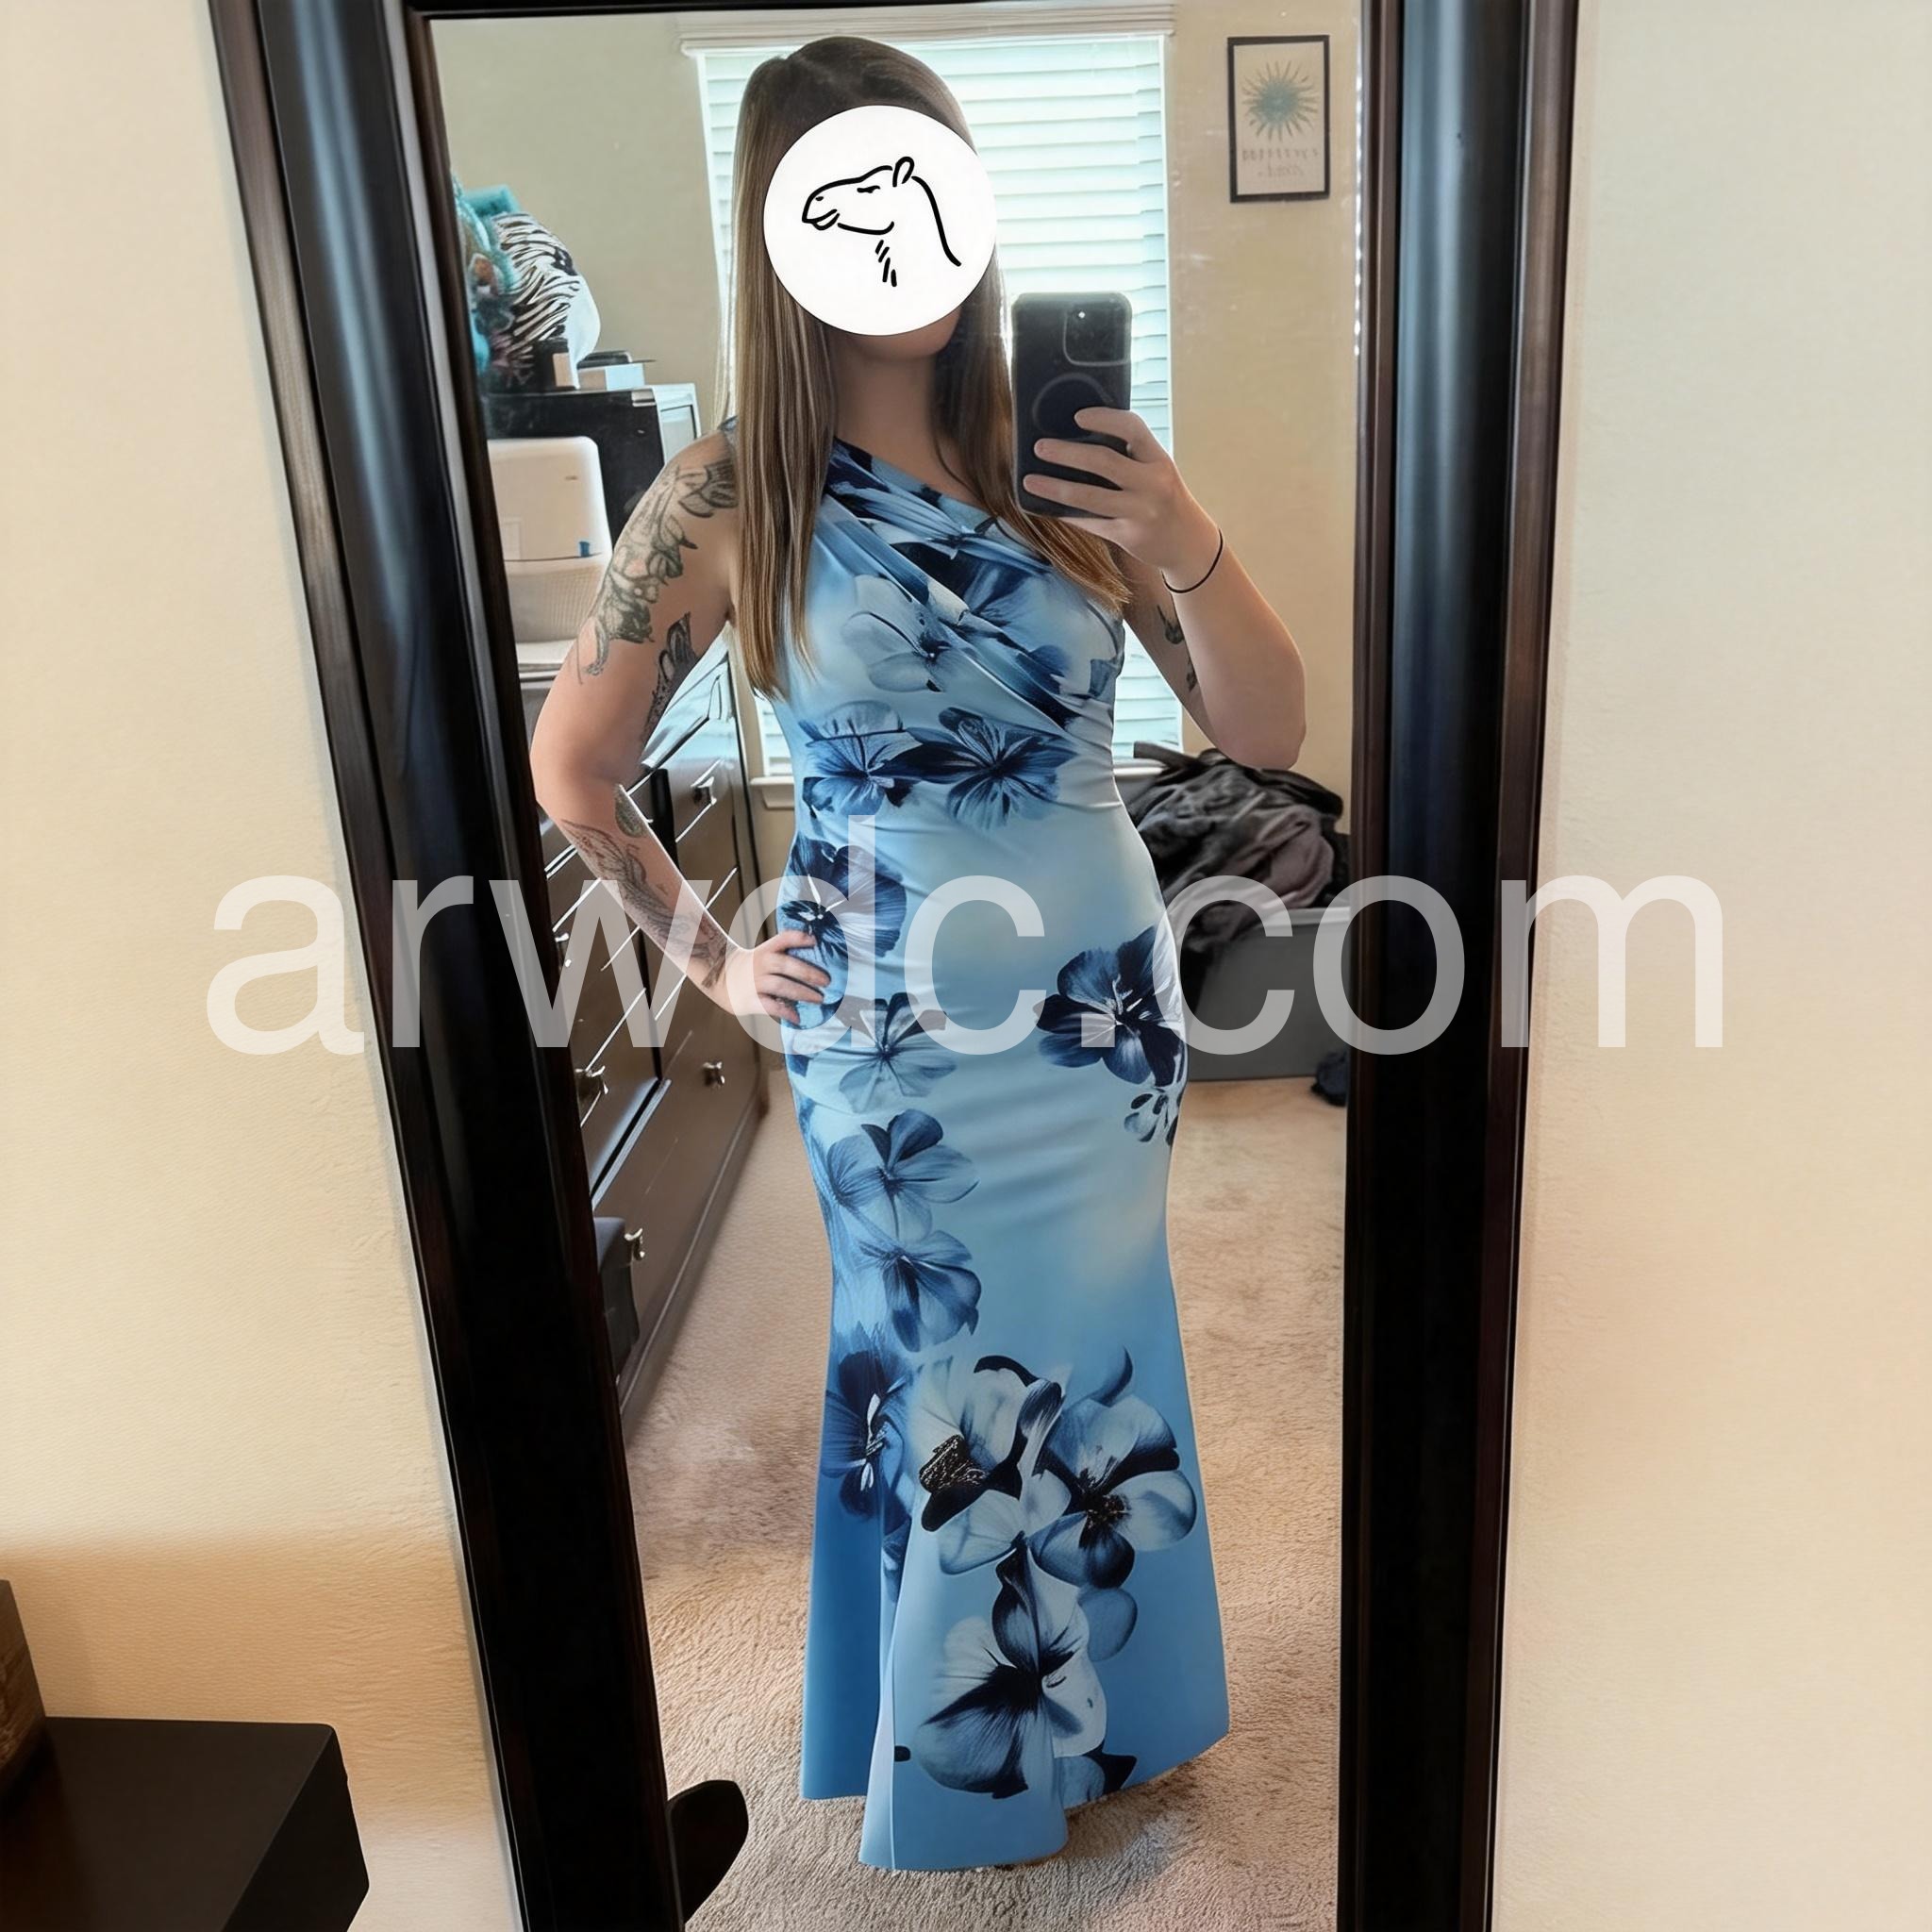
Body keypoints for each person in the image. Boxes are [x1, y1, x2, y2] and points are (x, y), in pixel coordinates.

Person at [529, 35, 1306, 1873]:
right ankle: (974, 1769)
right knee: (945, 1371)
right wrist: (717, 964)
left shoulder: (1066, 454)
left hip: (1101, 1022)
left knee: (1100, 1348)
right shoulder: (729, 495)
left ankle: (1113, 1715)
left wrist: (1184, 535)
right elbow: (574, 767)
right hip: (890, 1034)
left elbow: (1267, 731)